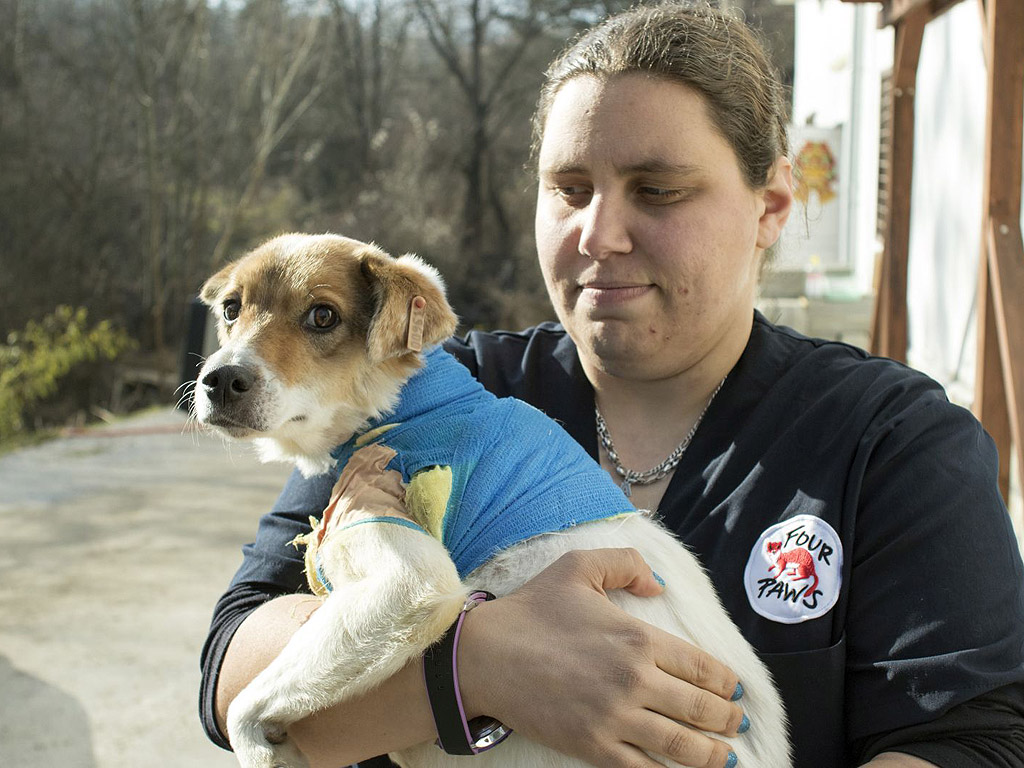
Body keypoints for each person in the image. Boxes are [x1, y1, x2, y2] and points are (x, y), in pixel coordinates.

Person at [199, 4, 1024, 767]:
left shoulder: (890, 441)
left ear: (772, 204)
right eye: (569, 189)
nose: (600, 233)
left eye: (658, 190)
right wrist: (479, 664)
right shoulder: (436, 391)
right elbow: (234, 665)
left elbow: (971, 737)